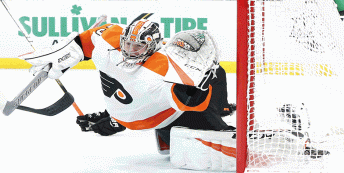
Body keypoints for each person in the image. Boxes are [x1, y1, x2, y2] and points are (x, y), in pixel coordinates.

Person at [19, 15, 236, 154]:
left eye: (137, 47)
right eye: (128, 44)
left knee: (204, 80)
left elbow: (89, 39)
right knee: (215, 72)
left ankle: (115, 120)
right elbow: (190, 101)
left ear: (152, 46)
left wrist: (70, 53)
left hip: (125, 114)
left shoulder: (111, 41)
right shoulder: (157, 64)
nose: (130, 51)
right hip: (154, 119)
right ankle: (217, 113)